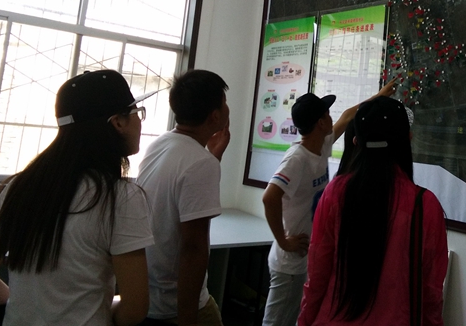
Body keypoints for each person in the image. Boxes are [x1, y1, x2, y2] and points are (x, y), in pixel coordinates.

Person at [0, 69, 155, 325]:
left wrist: (18, 303)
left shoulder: (19, 187)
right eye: (136, 112)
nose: (139, 121)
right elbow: (135, 308)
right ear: (118, 123)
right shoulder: (120, 198)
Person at [298, 96, 448, 325]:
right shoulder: (425, 205)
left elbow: (317, 272)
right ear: (408, 139)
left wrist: (305, 320)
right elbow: (431, 292)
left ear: (356, 141)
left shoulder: (335, 192)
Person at [261, 80, 397, 326]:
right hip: (289, 261)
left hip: (305, 257)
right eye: (326, 113)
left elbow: (348, 115)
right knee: (276, 322)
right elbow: (269, 197)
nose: (331, 116)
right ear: (320, 123)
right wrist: (283, 241)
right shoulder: (296, 158)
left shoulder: (322, 145)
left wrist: (379, 96)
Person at [136, 69, 230, 326]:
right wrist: (188, 318)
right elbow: (193, 247)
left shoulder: (161, 144)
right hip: (176, 307)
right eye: (224, 103)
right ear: (215, 116)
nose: (227, 108)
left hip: (148, 298)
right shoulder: (200, 163)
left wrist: (213, 156)